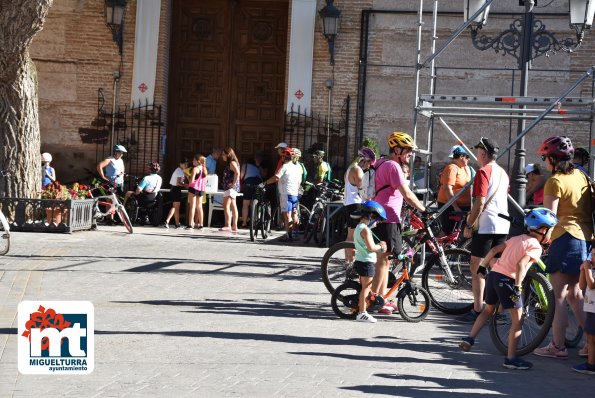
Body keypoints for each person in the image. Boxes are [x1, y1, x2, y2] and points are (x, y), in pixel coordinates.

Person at [459, 208, 558, 370]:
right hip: (508, 281)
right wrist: (518, 287)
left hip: (494, 276)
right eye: (551, 231)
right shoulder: (535, 247)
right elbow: (520, 265)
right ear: (542, 230)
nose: (550, 235)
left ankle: (470, 338)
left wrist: (483, 267)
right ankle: (511, 358)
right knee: (518, 321)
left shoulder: (516, 238)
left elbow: (494, 250)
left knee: (487, 310)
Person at [534, 136, 592, 359]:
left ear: (552, 159)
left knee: (558, 296)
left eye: (545, 157)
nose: (544, 161)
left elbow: (549, 217)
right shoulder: (581, 175)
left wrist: (540, 237)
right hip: (585, 239)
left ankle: (557, 346)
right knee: (576, 295)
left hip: (565, 238)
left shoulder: (555, 181)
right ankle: (590, 342)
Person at [372, 132, 426, 315]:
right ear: (397, 150)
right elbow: (407, 194)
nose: (410, 154)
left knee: (385, 261)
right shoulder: (393, 166)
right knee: (383, 260)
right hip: (388, 217)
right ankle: (376, 299)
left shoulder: (383, 163)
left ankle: (381, 298)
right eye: (408, 150)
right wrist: (424, 210)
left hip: (384, 216)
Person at [460, 137, 510, 323]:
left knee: (477, 267)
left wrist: (469, 224)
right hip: (502, 224)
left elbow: (480, 201)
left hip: (487, 225)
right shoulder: (503, 173)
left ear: (483, 153)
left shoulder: (483, 172)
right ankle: (503, 311)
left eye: (477, 152)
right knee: (498, 268)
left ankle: (478, 309)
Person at [352, 200, 388, 323]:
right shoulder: (365, 230)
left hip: (361, 260)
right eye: (377, 220)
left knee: (364, 287)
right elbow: (371, 247)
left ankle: (360, 308)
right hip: (366, 263)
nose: (377, 224)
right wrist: (381, 247)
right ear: (371, 216)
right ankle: (362, 313)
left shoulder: (359, 227)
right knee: (366, 288)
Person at [343, 148, 377, 263]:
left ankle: (347, 261)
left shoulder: (350, 169)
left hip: (348, 204)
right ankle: (352, 262)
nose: (369, 166)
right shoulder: (358, 170)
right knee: (356, 236)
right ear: (364, 160)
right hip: (356, 204)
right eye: (369, 163)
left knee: (350, 235)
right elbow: (364, 191)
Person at [262, 148, 302, 241]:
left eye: (282, 156)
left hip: (285, 194)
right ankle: (295, 233)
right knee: (294, 213)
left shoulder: (284, 166)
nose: (281, 158)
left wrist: (265, 183)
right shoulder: (297, 167)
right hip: (294, 194)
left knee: (287, 215)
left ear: (284, 157)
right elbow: (299, 181)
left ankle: (288, 235)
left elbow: (276, 177)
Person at [437, 145, 473, 235]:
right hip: (451, 206)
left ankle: (453, 248)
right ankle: (440, 248)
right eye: (467, 157)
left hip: (464, 206)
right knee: (448, 231)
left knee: (459, 232)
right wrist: (456, 207)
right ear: (461, 157)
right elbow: (447, 188)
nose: (469, 159)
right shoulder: (452, 168)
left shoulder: (464, 168)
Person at [573, 256, 595, 374]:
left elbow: (592, 285)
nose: (592, 258)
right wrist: (583, 271)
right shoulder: (591, 270)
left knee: (592, 337)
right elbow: (582, 286)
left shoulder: (590, 270)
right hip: (590, 309)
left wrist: (587, 270)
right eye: (592, 255)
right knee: (590, 337)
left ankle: (591, 364)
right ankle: (591, 364)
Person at [240, 152, 265, 228]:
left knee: (245, 204)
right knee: (255, 203)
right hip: (258, 183)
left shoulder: (245, 165)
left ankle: (244, 223)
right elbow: (263, 175)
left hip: (248, 183)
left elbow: (241, 176)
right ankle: (254, 222)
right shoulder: (257, 167)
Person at [163, 157, 189, 229]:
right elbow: (178, 183)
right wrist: (185, 185)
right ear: (181, 164)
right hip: (176, 189)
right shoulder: (179, 171)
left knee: (176, 208)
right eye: (184, 164)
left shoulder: (179, 170)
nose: (186, 166)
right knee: (175, 207)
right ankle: (167, 221)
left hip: (174, 189)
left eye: (187, 164)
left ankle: (177, 223)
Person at [220, 147, 241, 232]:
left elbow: (237, 172)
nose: (222, 156)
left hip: (230, 188)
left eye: (223, 154)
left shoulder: (232, 163)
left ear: (228, 155)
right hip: (232, 188)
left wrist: (233, 183)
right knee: (233, 206)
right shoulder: (234, 162)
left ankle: (228, 225)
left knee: (226, 205)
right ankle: (235, 226)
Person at [187, 155, 207, 229]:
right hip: (201, 189)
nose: (192, 161)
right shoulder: (204, 169)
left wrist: (188, 179)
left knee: (192, 206)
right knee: (200, 207)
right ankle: (201, 224)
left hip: (193, 188)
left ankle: (190, 224)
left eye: (194, 160)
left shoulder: (195, 169)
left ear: (198, 161)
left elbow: (191, 181)